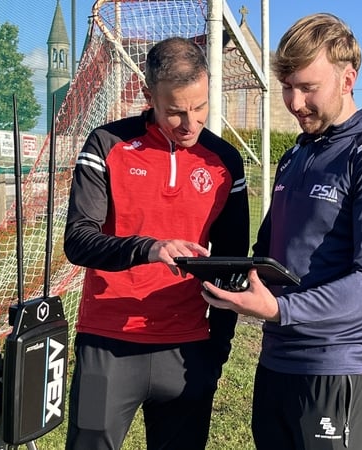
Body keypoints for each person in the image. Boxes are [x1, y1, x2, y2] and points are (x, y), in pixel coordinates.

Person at [201, 13, 362, 450]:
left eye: (308, 87)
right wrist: (217, 271)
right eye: (287, 87)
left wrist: (280, 309)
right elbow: (268, 252)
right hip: (276, 364)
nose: (295, 102)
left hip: (341, 368)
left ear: (348, 79)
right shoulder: (295, 155)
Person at [63, 36, 250, 450]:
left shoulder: (225, 161)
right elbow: (78, 240)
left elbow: (232, 263)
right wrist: (149, 248)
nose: (190, 123)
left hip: (188, 349)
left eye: (200, 107)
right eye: (176, 111)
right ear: (150, 97)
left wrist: (217, 350)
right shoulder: (107, 144)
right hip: (107, 343)